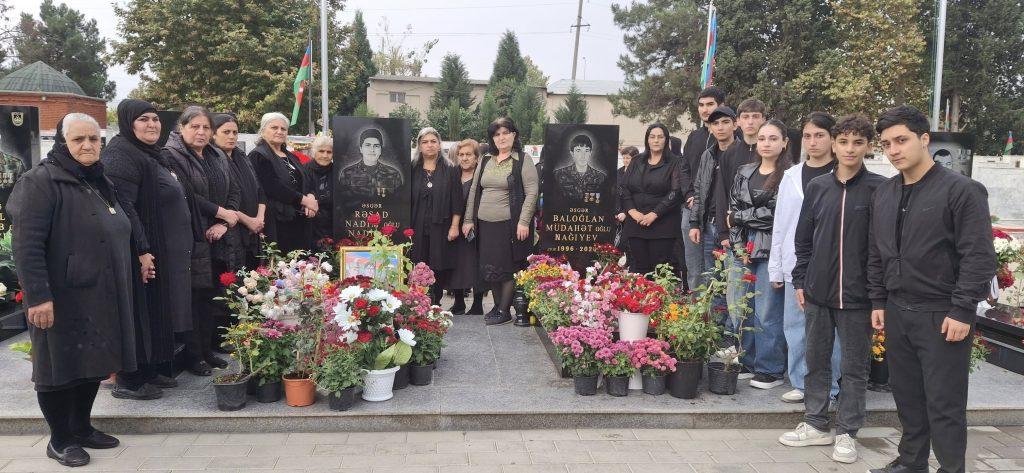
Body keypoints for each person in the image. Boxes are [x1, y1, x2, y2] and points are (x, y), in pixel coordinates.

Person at [867, 106, 996, 473]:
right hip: (898, 310)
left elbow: (978, 255)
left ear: (924, 139)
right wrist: (878, 300)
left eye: (901, 140)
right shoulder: (885, 192)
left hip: (942, 313)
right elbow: (876, 251)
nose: (893, 150)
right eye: (886, 143)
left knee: (944, 403)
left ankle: (952, 468)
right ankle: (912, 463)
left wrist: (962, 309)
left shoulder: (962, 190)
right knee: (907, 397)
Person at [10, 114, 134, 467]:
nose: (88, 145)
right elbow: (27, 245)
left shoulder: (97, 179)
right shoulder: (40, 181)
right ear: (62, 143)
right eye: (79, 139)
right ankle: (60, 439)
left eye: (93, 139)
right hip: (61, 295)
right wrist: (38, 297)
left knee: (92, 361)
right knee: (57, 367)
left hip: (98, 291)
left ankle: (81, 427)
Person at [778, 114, 887, 464]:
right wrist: (801, 280)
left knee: (854, 368)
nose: (850, 149)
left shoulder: (880, 188)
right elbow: (803, 239)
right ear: (835, 145)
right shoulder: (818, 187)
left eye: (858, 142)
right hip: (818, 293)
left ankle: (847, 433)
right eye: (844, 141)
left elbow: (883, 247)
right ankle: (815, 424)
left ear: (868, 146)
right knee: (816, 361)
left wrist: (878, 296)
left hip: (859, 297)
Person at [103, 99, 191, 400]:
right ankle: (129, 379)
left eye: (155, 119)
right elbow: (124, 206)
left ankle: (149, 369)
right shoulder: (120, 155)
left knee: (153, 310)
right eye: (143, 119)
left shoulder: (149, 153)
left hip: (156, 245)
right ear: (128, 123)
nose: (152, 124)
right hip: (135, 250)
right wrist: (141, 248)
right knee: (137, 314)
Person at [768, 111, 842, 404]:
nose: (813, 142)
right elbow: (781, 223)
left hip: (833, 263)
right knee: (796, 326)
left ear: (832, 139)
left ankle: (830, 387)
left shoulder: (841, 173)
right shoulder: (792, 176)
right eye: (808, 136)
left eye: (820, 135)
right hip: (795, 263)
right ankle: (800, 382)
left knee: (830, 331)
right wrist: (776, 267)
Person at [163, 106, 239, 376]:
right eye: (194, 126)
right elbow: (185, 194)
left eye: (206, 127)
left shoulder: (216, 155)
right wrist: (219, 213)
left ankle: (207, 351)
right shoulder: (170, 156)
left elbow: (234, 190)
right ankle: (194, 356)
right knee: (193, 299)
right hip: (191, 237)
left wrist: (224, 222)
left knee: (210, 297)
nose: (201, 132)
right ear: (181, 128)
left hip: (218, 236)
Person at [727, 119, 791, 390]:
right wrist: (738, 247)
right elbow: (731, 211)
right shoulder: (744, 171)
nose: (766, 143)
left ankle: (770, 369)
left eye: (773, 138)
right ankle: (747, 360)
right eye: (762, 138)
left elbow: (775, 216)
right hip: (743, 246)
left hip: (772, 246)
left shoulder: (790, 175)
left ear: (784, 142)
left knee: (767, 310)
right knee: (742, 306)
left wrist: (740, 217)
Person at [462, 117, 540, 326]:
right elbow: (474, 190)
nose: (501, 137)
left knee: (507, 268)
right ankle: (497, 306)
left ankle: (504, 310)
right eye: (497, 134)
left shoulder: (523, 160)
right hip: (484, 224)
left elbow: (532, 193)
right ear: (492, 138)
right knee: (490, 268)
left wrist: (523, 222)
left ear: (514, 135)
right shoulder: (486, 160)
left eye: (506, 133)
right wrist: (468, 219)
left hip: (509, 225)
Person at [620, 123, 683, 275]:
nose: (656, 140)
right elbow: (624, 187)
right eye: (652, 137)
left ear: (666, 140)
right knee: (638, 269)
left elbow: (675, 192)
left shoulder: (675, 162)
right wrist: (632, 211)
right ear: (647, 140)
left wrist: (655, 214)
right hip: (636, 223)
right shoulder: (636, 161)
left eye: (660, 137)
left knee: (660, 271)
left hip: (663, 225)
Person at [410, 127, 464, 305]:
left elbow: (457, 201)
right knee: (417, 262)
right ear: (419, 146)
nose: (429, 145)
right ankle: (418, 302)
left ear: (439, 145)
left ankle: (436, 302)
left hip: (442, 226)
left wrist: (455, 226)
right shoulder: (411, 169)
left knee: (439, 264)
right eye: (425, 142)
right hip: (416, 225)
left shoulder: (451, 170)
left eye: (433, 141)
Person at [251, 112, 317, 254]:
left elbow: (307, 180)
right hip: (276, 220)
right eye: (274, 127)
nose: (279, 131)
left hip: (299, 219)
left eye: (283, 129)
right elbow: (272, 187)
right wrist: (304, 200)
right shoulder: (258, 155)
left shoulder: (290, 156)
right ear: (263, 130)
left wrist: (311, 198)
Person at [680, 86, 727, 290]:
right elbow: (684, 169)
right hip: (691, 207)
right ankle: (696, 306)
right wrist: (690, 194)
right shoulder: (694, 137)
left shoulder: (730, 137)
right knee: (693, 266)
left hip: (716, 211)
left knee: (714, 268)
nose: (705, 109)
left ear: (721, 105)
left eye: (710, 104)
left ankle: (714, 307)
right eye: (701, 105)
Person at [688, 106, 738, 286]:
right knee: (712, 280)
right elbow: (699, 190)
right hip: (709, 225)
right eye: (715, 123)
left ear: (735, 125)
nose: (720, 127)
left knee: (734, 281)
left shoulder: (743, 153)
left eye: (725, 122)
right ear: (710, 128)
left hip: (734, 227)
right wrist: (694, 223)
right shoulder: (707, 155)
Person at [212, 114, 265, 270]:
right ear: (213, 134)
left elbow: (259, 189)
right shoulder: (212, 159)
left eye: (235, 132)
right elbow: (220, 199)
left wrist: (259, 219)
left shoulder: (241, 156)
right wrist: (248, 220)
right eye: (226, 132)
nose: (232, 136)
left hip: (254, 229)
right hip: (231, 230)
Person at [449, 139, 487, 315]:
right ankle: (459, 302)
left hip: (478, 227)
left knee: (477, 264)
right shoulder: (452, 174)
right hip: (454, 226)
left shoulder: (483, 176)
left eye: (468, 155)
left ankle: (478, 304)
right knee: (455, 263)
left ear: (476, 157)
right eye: (461, 155)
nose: (464, 158)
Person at [338, 127, 404, 201]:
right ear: (361, 149)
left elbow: (399, 201)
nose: (372, 150)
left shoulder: (394, 174)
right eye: (367, 145)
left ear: (381, 150)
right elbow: (343, 200)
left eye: (376, 146)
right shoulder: (347, 173)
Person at [554, 134, 607, 204]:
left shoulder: (600, 177)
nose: (583, 156)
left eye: (586, 151)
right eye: (578, 150)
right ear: (572, 153)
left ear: (590, 153)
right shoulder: (559, 174)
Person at [304, 135, 334, 242]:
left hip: (333, 223)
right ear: (314, 152)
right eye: (321, 151)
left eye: (329, 152)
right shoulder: (304, 169)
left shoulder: (337, 171)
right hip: (310, 224)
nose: (325, 155)